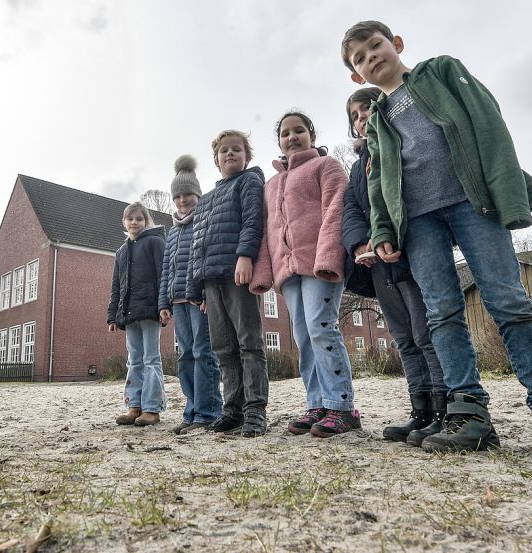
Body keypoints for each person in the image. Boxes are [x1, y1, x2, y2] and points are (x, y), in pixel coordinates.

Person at [340, 20, 532, 466]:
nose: (372, 57)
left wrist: (507, 193)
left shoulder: (442, 73)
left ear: (396, 44)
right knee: (441, 312)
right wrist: (384, 230)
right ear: (357, 76)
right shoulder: (378, 121)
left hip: (473, 204)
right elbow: (378, 187)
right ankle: (468, 413)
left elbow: (489, 125)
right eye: (360, 58)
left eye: (376, 46)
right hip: (420, 223)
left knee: (509, 301)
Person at [342, 87, 449, 446]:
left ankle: (443, 409)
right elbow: (352, 210)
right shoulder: (357, 168)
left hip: (408, 251)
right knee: (403, 337)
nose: (362, 119)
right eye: (355, 116)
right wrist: (361, 242)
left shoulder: (402, 147)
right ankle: (419, 409)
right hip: (376, 262)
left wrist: (392, 234)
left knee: (426, 332)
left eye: (367, 110)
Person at [250, 111, 360, 438]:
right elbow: (266, 231)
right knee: (302, 335)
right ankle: (317, 403)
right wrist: (265, 273)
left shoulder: (326, 167)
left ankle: (342, 405)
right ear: (279, 141)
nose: (292, 137)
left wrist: (328, 256)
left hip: (318, 263)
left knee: (321, 326)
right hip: (289, 270)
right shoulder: (271, 185)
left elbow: (336, 210)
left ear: (311, 134)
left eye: (299, 130)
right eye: (285, 133)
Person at [187, 130, 269, 438]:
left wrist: (245, 256)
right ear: (216, 159)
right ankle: (232, 409)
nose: (230, 154)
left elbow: (252, 220)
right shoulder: (205, 200)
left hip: (237, 273)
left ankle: (255, 410)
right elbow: (198, 244)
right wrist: (198, 288)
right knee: (223, 347)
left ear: (247, 155)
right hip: (211, 281)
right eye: (224, 151)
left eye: (237, 149)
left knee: (249, 342)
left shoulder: (249, 181)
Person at [158, 155, 223, 435]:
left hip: (199, 300)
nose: (183, 200)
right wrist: (164, 302)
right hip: (178, 301)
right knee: (185, 354)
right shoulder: (171, 233)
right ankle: (191, 410)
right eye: (179, 196)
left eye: (188, 195)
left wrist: (208, 294)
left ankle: (208, 412)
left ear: (197, 194)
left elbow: (209, 261)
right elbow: (166, 270)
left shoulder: (205, 221)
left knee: (204, 353)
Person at [108, 202, 168, 427]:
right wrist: (113, 316)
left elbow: (164, 275)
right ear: (124, 222)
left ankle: (152, 408)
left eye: (139, 218)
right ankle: (134, 405)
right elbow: (117, 285)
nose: (135, 222)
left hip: (151, 310)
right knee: (133, 360)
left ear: (146, 221)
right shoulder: (121, 251)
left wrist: (164, 305)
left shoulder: (155, 242)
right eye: (130, 218)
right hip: (129, 314)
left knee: (151, 359)